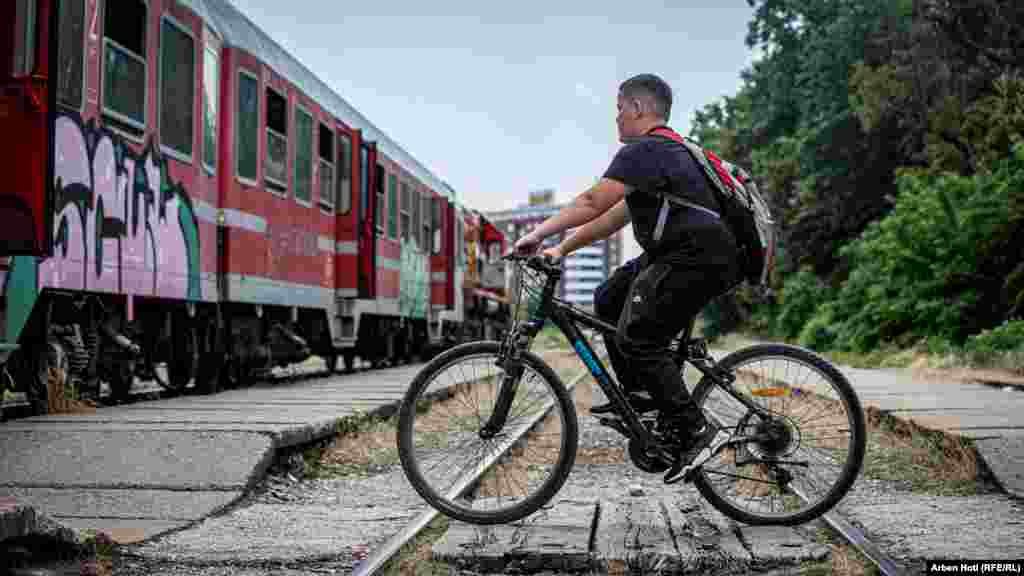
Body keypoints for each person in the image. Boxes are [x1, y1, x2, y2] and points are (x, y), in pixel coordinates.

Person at [512, 73, 740, 483]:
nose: (616, 118)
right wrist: (560, 249)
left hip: (696, 259)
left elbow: (591, 200)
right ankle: (642, 399)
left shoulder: (649, 149)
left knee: (639, 337)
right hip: (681, 256)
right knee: (608, 297)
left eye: (619, 108)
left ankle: (696, 431)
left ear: (637, 108)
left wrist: (536, 233)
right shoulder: (663, 157)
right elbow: (610, 217)